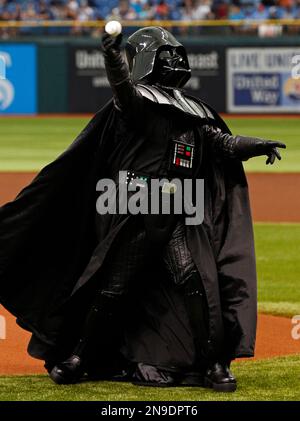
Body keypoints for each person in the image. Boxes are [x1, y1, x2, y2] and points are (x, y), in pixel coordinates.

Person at [0, 27, 285, 392]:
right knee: (112, 288)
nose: (173, 60)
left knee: (194, 284)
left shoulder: (193, 113)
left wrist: (255, 144)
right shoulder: (137, 106)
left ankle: (214, 364)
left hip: (176, 215)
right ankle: (80, 357)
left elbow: (222, 143)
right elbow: (121, 87)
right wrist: (111, 55)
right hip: (135, 213)